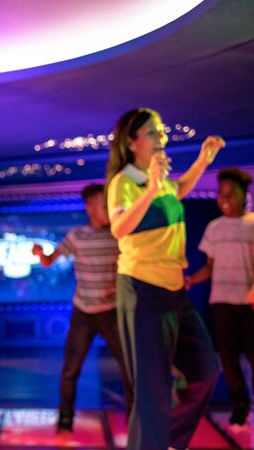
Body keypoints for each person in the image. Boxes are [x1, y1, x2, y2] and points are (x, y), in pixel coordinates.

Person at [106, 107, 223, 450]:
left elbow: (179, 189)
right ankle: (153, 441)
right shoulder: (123, 182)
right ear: (132, 142)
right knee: (152, 388)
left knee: (205, 371)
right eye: (153, 133)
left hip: (174, 289)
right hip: (142, 290)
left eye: (161, 132)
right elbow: (119, 228)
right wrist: (151, 187)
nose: (162, 138)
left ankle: (161, 438)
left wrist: (202, 160)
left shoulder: (159, 179)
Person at [31, 184, 132, 432]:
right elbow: (48, 262)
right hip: (84, 312)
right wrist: (40, 253)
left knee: (130, 366)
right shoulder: (77, 235)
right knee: (71, 368)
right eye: (103, 205)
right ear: (89, 208)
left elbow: (132, 270)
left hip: (111, 311)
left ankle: (135, 418)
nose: (109, 210)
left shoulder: (119, 235)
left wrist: (120, 287)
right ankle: (65, 420)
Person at [185, 167, 254, 426]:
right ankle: (240, 406)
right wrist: (192, 278)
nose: (224, 199)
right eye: (220, 194)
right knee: (227, 357)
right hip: (221, 300)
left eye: (230, 194)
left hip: (249, 302)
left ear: (243, 194)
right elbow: (210, 267)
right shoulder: (214, 228)